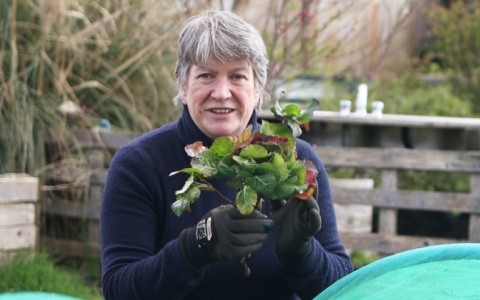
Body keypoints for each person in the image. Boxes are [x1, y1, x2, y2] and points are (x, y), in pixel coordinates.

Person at [100, 10, 354, 300]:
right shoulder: (139, 164)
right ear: (183, 87)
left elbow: (344, 288)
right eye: (206, 75)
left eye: (238, 76)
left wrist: (302, 252)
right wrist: (195, 247)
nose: (221, 93)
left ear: (258, 89)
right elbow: (118, 289)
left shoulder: (294, 160)